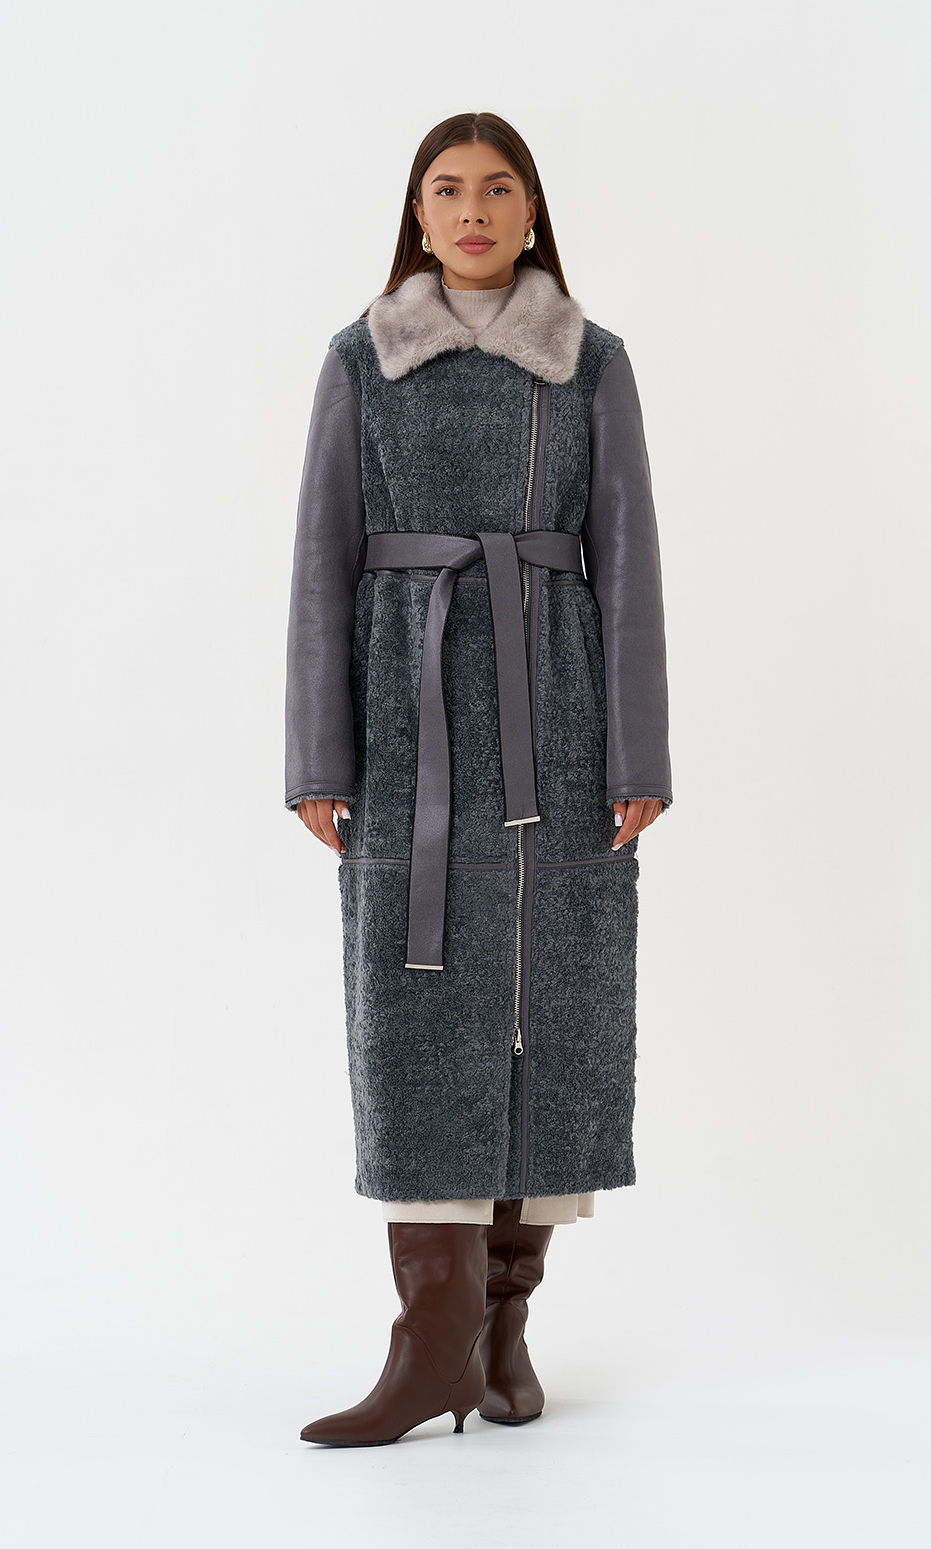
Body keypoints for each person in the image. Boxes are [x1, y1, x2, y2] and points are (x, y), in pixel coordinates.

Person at [283, 111, 672, 1447]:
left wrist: (636, 753)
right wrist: (320, 756)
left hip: (556, 719)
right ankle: (430, 1341)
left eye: (496, 188)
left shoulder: (590, 363)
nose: (470, 210)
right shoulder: (362, 360)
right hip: (407, 722)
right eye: (445, 189)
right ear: (416, 213)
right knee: (418, 1010)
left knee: (548, 1018)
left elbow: (627, 556)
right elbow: (320, 557)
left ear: (530, 210)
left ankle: (503, 1336)